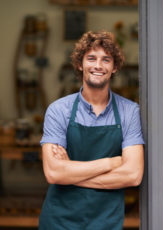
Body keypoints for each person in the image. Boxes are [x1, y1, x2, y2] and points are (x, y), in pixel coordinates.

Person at [38, 31, 144, 230]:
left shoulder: (130, 112)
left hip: (107, 222)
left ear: (114, 67)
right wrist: (111, 162)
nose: (98, 66)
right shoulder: (58, 110)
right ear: (80, 64)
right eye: (91, 58)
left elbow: (133, 175)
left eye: (106, 59)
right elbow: (53, 173)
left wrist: (71, 174)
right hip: (59, 221)